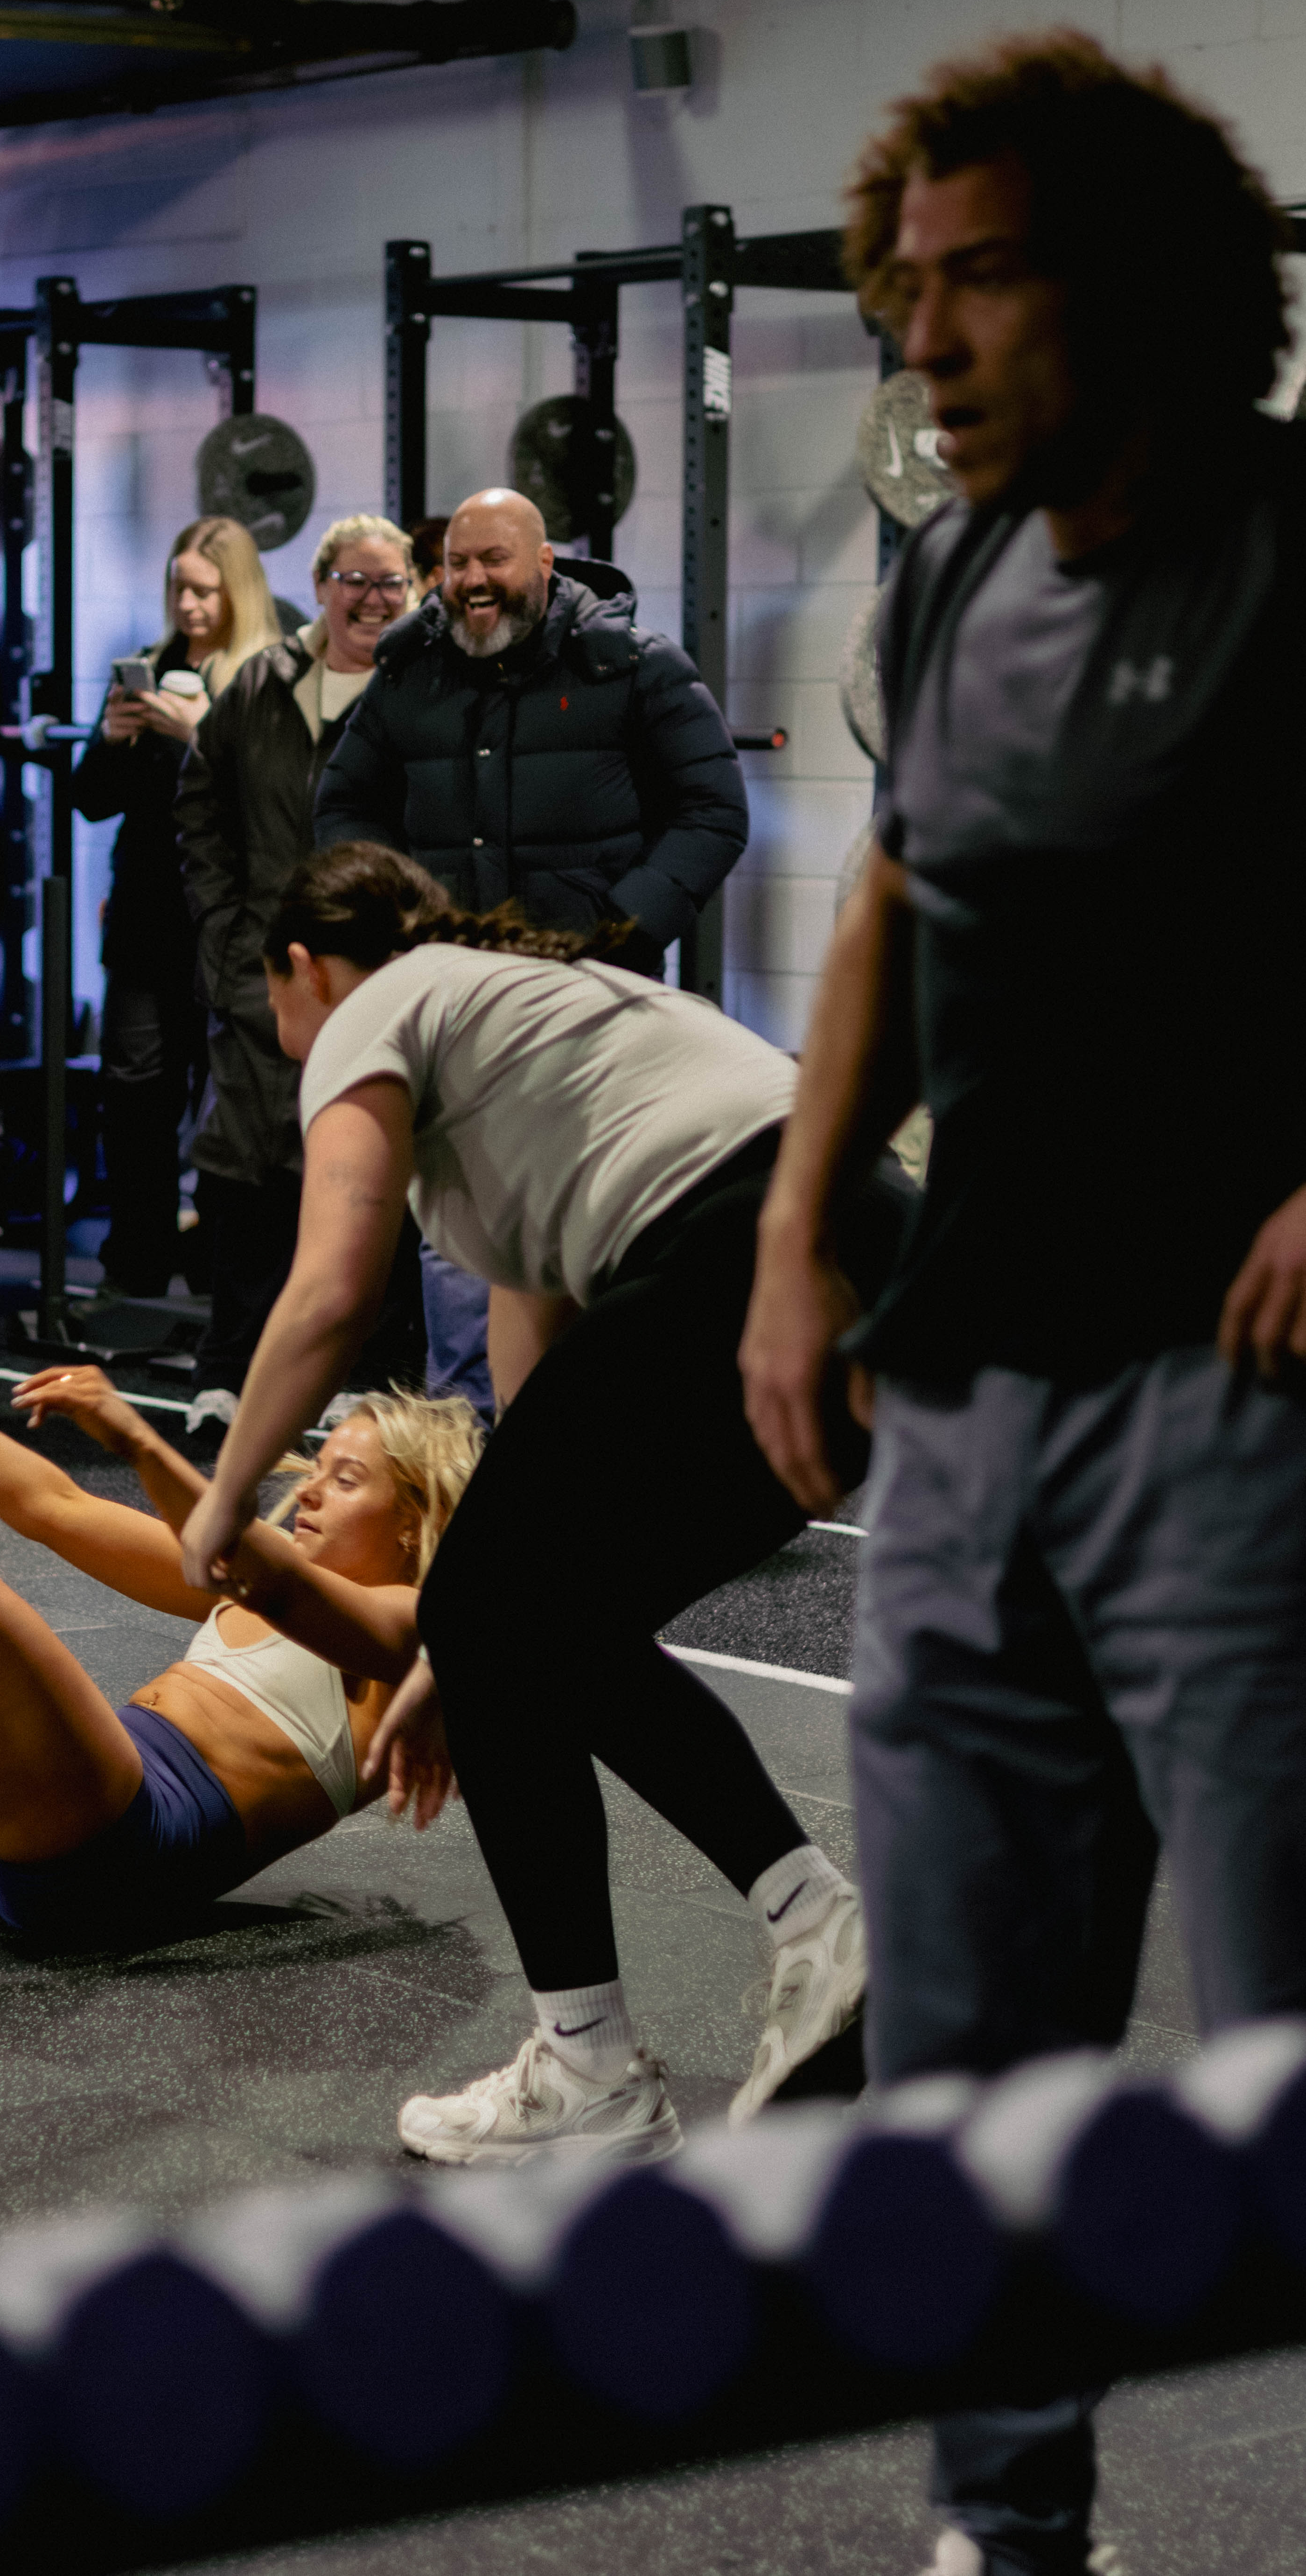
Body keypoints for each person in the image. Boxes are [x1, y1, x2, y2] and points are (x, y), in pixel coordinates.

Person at [739, 34, 1306, 2576]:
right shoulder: (953, 567)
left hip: (1232, 1412)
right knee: (970, 2054)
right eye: (905, 287)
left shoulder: (1285, 550)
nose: (925, 337)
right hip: (966, 1409)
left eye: (979, 280)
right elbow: (893, 890)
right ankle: (1004, 2527)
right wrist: (793, 1230)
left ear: (1142, 286)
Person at [178, 841, 904, 2166]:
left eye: (273, 990)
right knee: (547, 1623)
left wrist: (223, 1500)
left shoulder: (374, 1008)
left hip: (748, 1239)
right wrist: (466, 1642)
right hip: (873, 1251)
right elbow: (540, 1412)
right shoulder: (517, 1045)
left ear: (301, 966)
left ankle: (590, 2067)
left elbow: (330, 1289)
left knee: (511, 1611)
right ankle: (810, 1925)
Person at [0, 1314, 481, 1946]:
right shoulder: (262, 1565)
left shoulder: (420, 1630)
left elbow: (284, 1589)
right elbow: (54, 1505)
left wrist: (140, 1441)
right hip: (22, 1815)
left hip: (108, 1863)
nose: (310, 1491)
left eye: (346, 1480)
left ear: (415, 1520)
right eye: (317, 1469)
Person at [313, 487, 750, 1424]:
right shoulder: (409, 674)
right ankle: (462, 1455)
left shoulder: (634, 666)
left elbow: (713, 812)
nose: (473, 580)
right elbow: (343, 805)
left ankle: (593, 1440)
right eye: (457, 563)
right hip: (455, 1004)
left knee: (598, 1229)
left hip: (595, 1007)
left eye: (494, 560)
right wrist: (399, 926)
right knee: (460, 1229)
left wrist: (619, 931)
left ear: (543, 565)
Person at [175, 516, 417, 1437]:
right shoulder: (262, 684)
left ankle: (367, 1371)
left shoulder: (421, 687)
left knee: (370, 1173)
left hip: (376, 983)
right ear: (320, 586)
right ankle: (228, 1372)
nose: (372, 599)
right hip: (264, 977)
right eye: (354, 579)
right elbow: (201, 807)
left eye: (390, 582)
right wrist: (227, 938)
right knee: (246, 1177)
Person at [73, 517, 278, 1308]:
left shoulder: (266, 674)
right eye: (178, 588)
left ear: (238, 591)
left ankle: (217, 1261)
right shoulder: (152, 667)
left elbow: (268, 802)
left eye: (204, 590)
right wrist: (111, 737)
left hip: (228, 920)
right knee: (133, 1094)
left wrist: (202, 735)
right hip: (146, 914)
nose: (188, 605)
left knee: (224, 1097)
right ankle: (137, 1257)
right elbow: (93, 799)